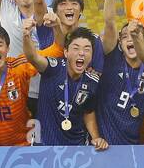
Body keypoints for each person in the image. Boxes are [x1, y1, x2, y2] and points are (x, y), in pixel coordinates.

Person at [21, 18, 107, 149]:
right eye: (76, 48)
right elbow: (33, 57)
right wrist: (26, 35)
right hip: (44, 145)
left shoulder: (92, 81)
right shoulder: (52, 68)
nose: (81, 53)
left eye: (87, 49)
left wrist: (96, 138)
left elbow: (88, 112)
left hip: (76, 147)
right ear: (66, 52)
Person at [96, 0, 144, 145]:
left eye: (135, 36)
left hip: (133, 145)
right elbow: (109, 24)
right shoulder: (112, 59)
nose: (129, 40)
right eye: (124, 37)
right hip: (105, 144)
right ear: (120, 44)